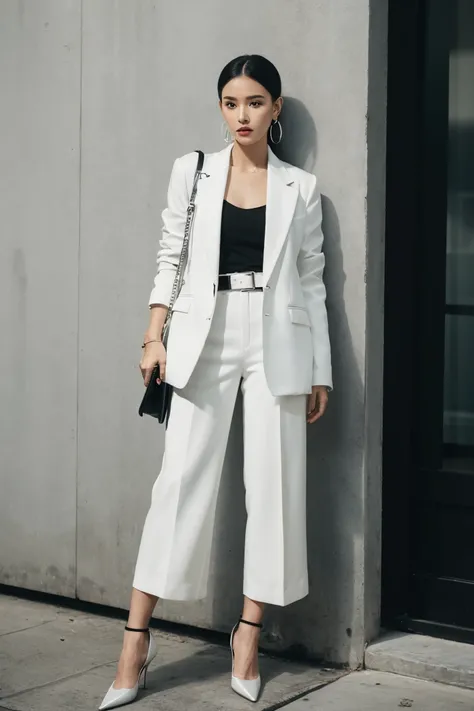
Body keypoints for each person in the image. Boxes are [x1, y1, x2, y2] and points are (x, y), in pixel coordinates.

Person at [98, 53, 332, 711]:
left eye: (255, 102)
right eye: (231, 103)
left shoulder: (301, 188)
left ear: (275, 108)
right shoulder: (192, 172)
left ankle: (248, 637)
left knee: (274, 488)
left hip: (278, 338)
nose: (242, 115)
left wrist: (321, 370)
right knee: (177, 483)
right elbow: (169, 256)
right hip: (205, 331)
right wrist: (154, 335)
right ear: (220, 107)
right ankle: (134, 641)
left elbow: (313, 281)